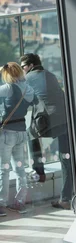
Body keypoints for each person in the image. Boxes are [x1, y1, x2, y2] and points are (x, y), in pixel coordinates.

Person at [20, 53, 72, 210]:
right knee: (66, 161)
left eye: (22, 67)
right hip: (66, 119)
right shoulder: (51, 75)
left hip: (47, 121)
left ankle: (39, 171)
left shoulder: (28, 79)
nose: (22, 71)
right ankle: (65, 199)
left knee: (30, 134)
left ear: (29, 66)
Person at [0, 63, 36, 216]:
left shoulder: (9, 88)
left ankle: (1, 204)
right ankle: (19, 202)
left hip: (8, 133)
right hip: (22, 132)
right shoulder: (29, 89)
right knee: (20, 168)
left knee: (4, 169)